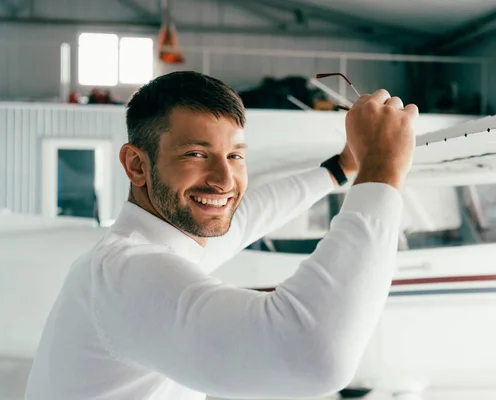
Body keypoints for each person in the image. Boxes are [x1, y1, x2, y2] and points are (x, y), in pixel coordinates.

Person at [25, 71, 418, 399]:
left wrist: (339, 168)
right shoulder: (127, 274)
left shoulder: (160, 242)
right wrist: (383, 169)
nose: (224, 180)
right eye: (196, 154)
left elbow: (249, 217)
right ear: (136, 165)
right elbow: (313, 356)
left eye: (235, 156)